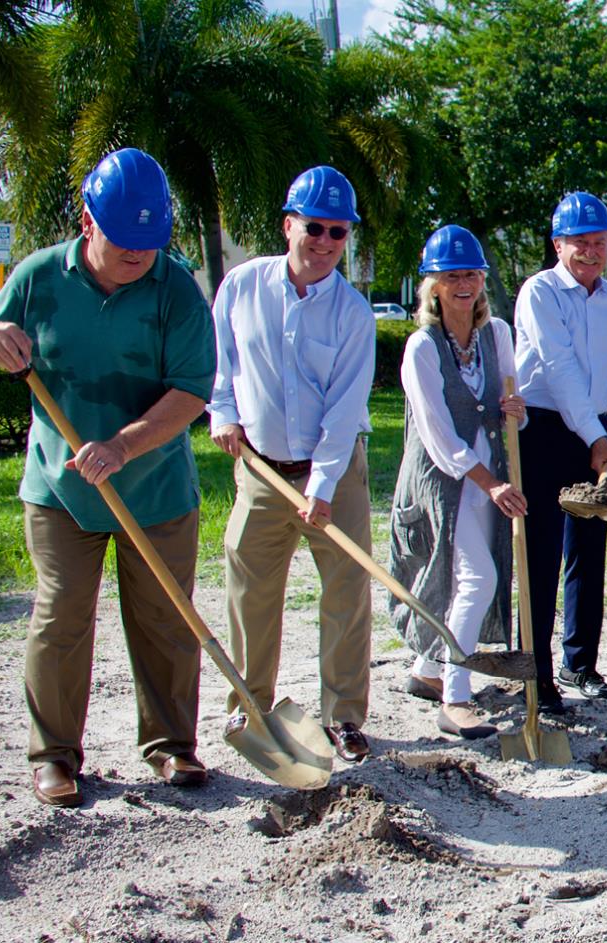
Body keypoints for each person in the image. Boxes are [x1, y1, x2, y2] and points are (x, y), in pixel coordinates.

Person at [0, 148, 215, 806]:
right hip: (61, 489)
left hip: (155, 486)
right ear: (86, 222)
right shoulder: (41, 277)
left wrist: (123, 446)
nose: (139, 256)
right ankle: (54, 755)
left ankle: (171, 744)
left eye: (150, 242)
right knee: (61, 617)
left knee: (165, 618)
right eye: (125, 241)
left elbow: (191, 392)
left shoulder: (176, 288)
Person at [208, 165, 377, 763]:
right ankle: (250, 708)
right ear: (288, 226)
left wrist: (322, 485)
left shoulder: (354, 313)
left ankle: (345, 717)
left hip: (333, 469)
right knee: (251, 589)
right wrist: (223, 414)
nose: (326, 242)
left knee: (347, 589)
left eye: (338, 232)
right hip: (259, 468)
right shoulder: (241, 286)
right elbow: (221, 364)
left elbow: (344, 408)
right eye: (315, 227)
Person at [389, 226, 527, 739]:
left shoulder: (498, 335)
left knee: (465, 578)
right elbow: (437, 435)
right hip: (445, 481)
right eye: (452, 276)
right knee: (477, 578)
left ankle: (430, 670)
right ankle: (455, 697)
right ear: (434, 286)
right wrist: (490, 484)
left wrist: (517, 411)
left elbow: (510, 411)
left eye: (470, 273)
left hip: (490, 475)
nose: (463, 284)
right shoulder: (421, 348)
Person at [513, 192, 607, 713]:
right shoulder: (538, 293)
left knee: (589, 548)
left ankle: (580, 664)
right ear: (558, 244)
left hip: (593, 429)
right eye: (580, 242)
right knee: (540, 553)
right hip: (542, 427)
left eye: (599, 242)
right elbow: (558, 370)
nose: (590, 251)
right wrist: (594, 436)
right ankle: (535, 676)